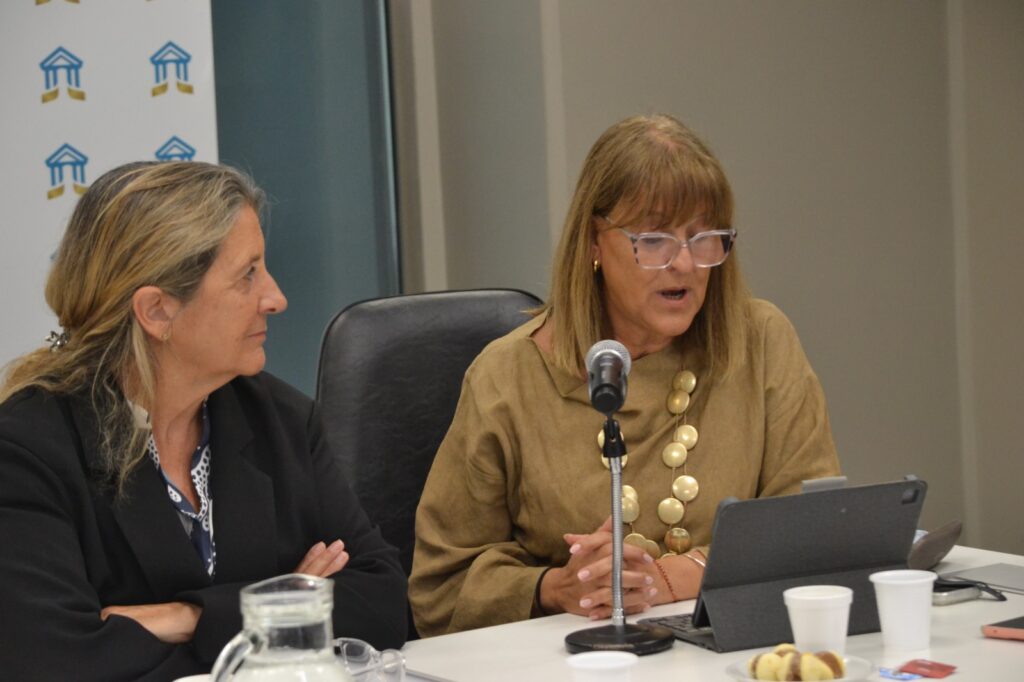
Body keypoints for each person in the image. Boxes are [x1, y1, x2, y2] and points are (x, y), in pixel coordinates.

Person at [409, 114, 841, 637]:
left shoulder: (762, 341)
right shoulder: (507, 377)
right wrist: (554, 588)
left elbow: (814, 535)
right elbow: (439, 589)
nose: (684, 264)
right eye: (654, 240)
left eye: (704, 237)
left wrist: (669, 578)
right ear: (594, 242)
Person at [0, 161, 407, 680]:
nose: (276, 298)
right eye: (247, 275)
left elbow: (383, 603)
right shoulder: (28, 450)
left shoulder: (280, 420)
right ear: (157, 312)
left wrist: (186, 616)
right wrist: (284, 612)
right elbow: (58, 662)